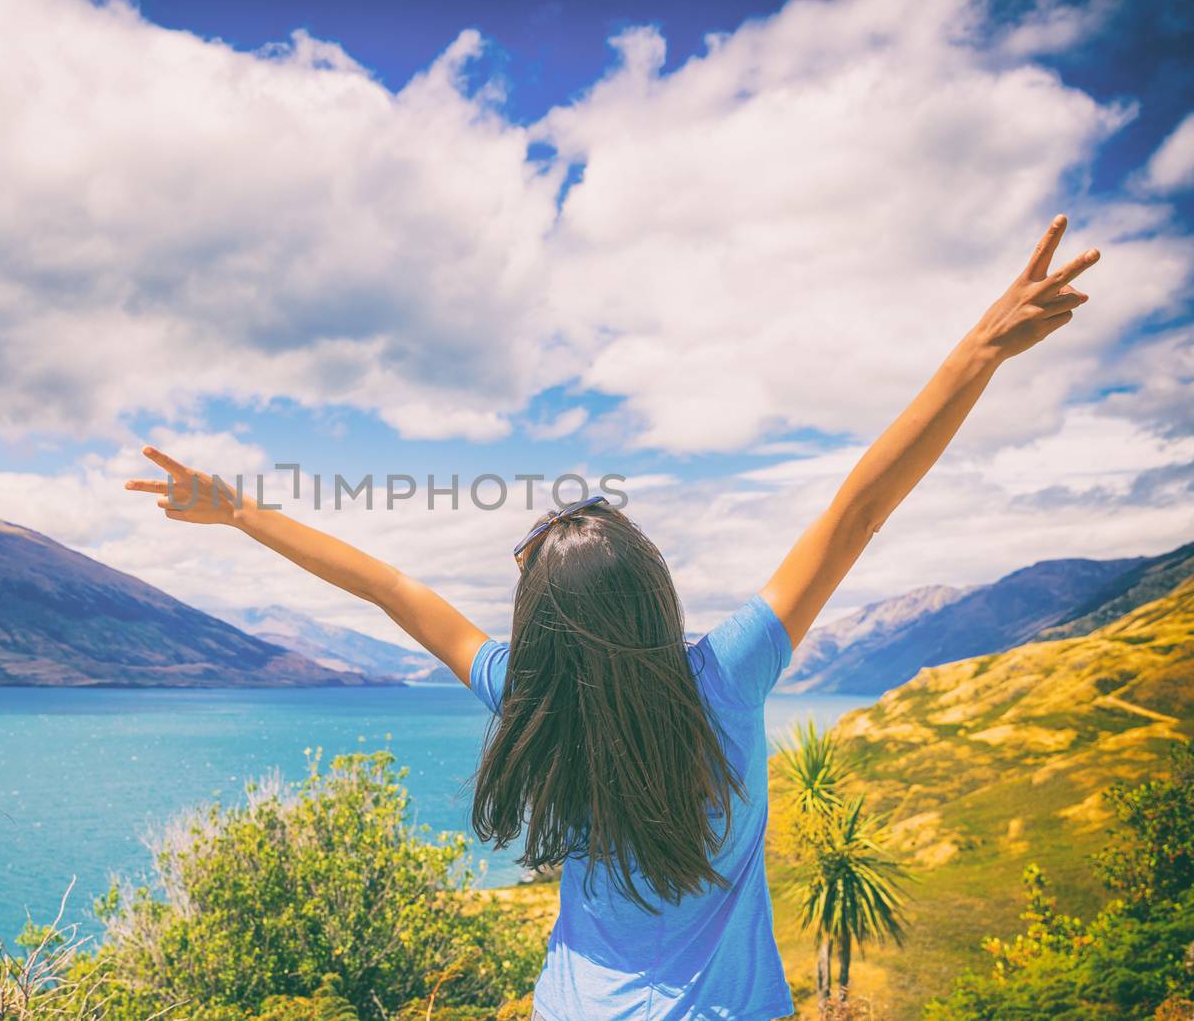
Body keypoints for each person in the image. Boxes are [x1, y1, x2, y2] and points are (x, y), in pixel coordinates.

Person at [124, 216, 1099, 1020]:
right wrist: (977, 353)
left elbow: (389, 586)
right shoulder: (725, 674)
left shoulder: (526, 691)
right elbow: (856, 510)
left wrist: (241, 510)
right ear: (651, 592)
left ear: (539, 624)